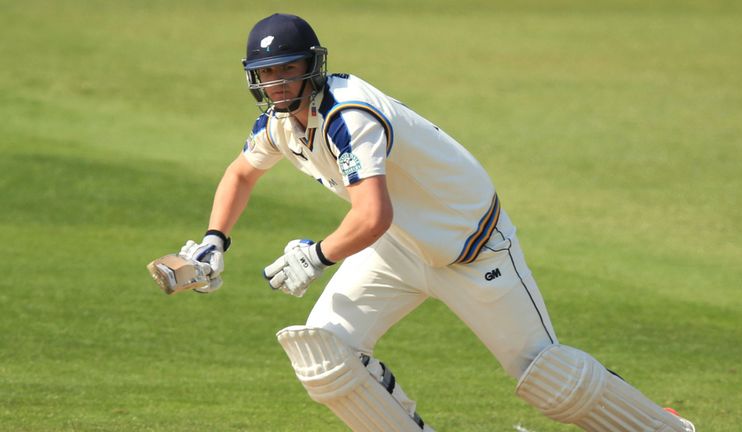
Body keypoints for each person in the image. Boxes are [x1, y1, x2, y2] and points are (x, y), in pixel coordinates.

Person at [178, 13, 696, 432]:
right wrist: (213, 241)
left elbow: (372, 215)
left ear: (311, 67)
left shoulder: (348, 114)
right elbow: (242, 173)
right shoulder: (278, 122)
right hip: (398, 247)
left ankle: (663, 428)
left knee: (550, 381)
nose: (277, 83)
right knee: (325, 354)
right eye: (267, 73)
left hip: (472, 250)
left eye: (287, 69)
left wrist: (315, 257)